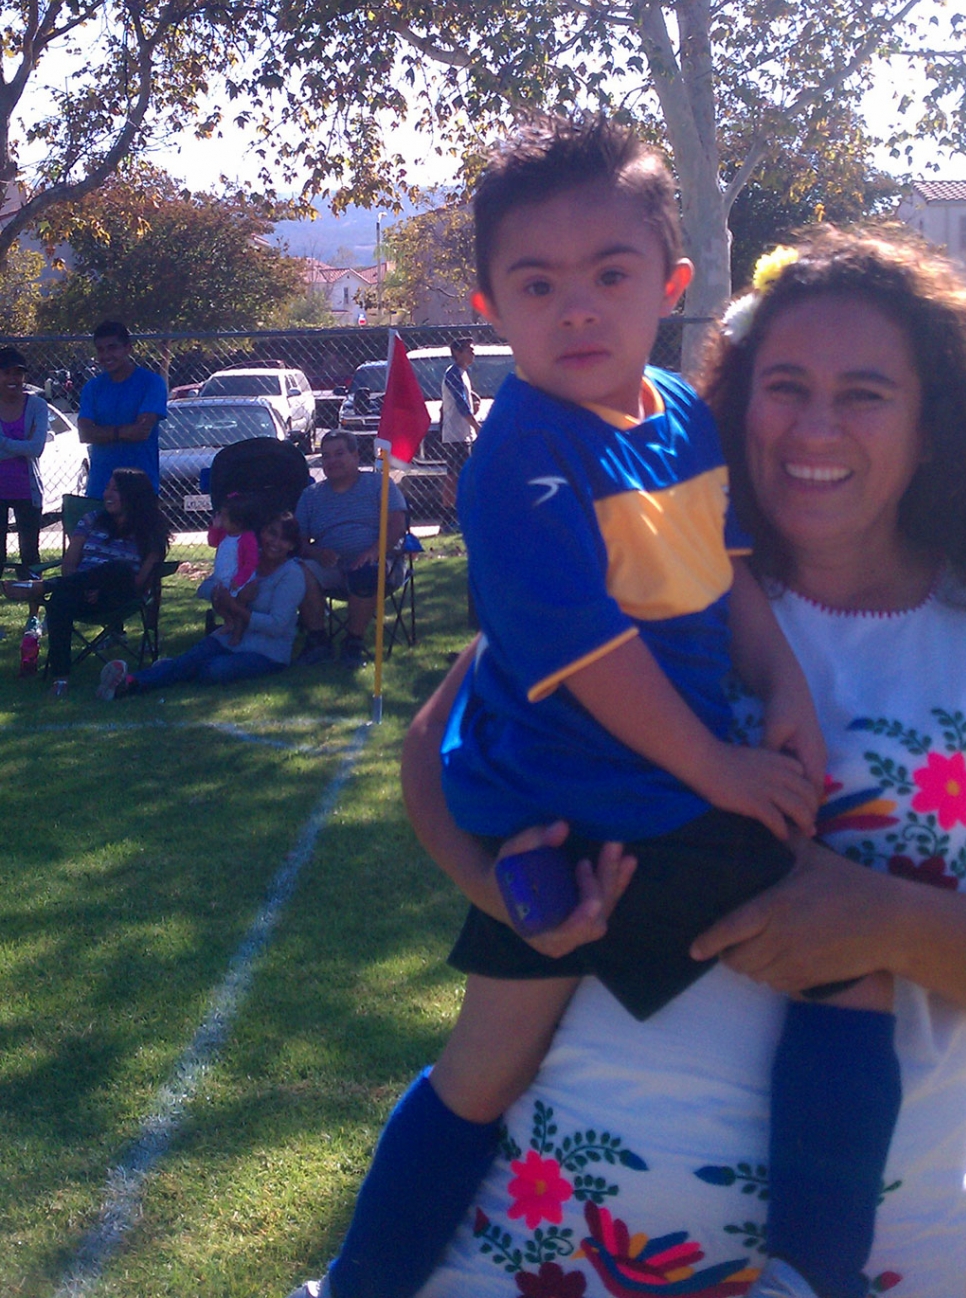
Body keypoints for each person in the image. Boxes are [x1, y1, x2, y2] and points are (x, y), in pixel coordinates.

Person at [291, 119, 898, 1298]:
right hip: (606, 799)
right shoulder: (517, 460)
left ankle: (356, 1286)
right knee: (853, 971)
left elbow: (724, 575)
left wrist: (780, 691)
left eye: (609, 275)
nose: (576, 308)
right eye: (538, 283)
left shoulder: (679, 412)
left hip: (614, 799)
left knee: (481, 1069)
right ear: (491, 305)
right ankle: (813, 1280)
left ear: (668, 288)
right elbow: (593, 656)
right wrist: (723, 772)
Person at [98, 510, 306, 696]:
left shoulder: (292, 574)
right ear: (262, 533)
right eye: (271, 533)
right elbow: (205, 586)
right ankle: (128, 683)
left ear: (292, 546)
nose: (275, 542)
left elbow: (277, 626)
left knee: (213, 670)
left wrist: (235, 608)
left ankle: (173, 669)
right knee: (193, 660)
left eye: (284, 539)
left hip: (266, 652)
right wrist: (221, 593)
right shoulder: (248, 559)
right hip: (227, 638)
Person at [8, 467, 169, 697]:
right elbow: (70, 564)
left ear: (133, 495)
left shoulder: (150, 531)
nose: (107, 495)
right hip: (81, 591)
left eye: (115, 490)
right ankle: (60, 680)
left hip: (120, 596)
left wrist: (103, 588)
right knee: (59, 601)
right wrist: (86, 586)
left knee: (118, 568)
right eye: (107, 488)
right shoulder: (91, 520)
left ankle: (43, 585)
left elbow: (140, 582)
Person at [294, 429, 406, 668]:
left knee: (367, 571)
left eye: (339, 454)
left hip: (379, 563)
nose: (332, 461)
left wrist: (374, 551)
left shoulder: (378, 483)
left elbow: (397, 524)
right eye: (326, 456)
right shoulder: (310, 496)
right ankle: (318, 641)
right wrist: (316, 553)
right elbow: (298, 543)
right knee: (297, 571)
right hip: (331, 566)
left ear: (355, 456)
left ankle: (353, 644)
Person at [77, 320, 167, 498]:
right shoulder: (92, 387)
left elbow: (141, 432)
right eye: (101, 350)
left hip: (139, 489)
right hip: (99, 490)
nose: (106, 355)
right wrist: (123, 431)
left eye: (112, 348)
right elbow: (85, 434)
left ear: (128, 348)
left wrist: (102, 433)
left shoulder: (152, 383)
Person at [0, 345, 48, 578]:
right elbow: (27, 447)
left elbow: (36, 448)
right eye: (7, 372)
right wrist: (22, 446)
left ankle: (34, 611)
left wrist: (3, 442)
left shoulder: (37, 405)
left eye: (18, 373)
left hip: (27, 492)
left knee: (30, 556)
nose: (13, 378)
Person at [198, 491, 261, 645]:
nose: (221, 519)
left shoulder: (246, 538)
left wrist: (239, 580)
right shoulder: (225, 534)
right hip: (223, 578)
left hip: (240, 580)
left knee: (237, 605)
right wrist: (215, 527)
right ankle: (229, 622)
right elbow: (212, 542)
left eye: (224, 517)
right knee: (218, 600)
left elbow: (251, 563)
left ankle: (237, 633)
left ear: (238, 521)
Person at [440, 338, 480, 530]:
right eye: (468, 350)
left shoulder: (463, 373)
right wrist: (477, 426)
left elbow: (467, 400)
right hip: (456, 435)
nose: (472, 353)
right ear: (457, 353)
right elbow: (461, 404)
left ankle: (452, 517)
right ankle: (450, 519)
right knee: (456, 476)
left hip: (463, 434)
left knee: (457, 475)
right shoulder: (454, 374)